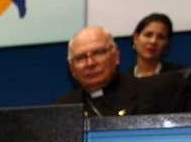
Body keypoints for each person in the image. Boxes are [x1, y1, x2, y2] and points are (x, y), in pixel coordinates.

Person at [55, 26, 185, 116]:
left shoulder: (154, 95)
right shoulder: (62, 109)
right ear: (71, 68)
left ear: (116, 56)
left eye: (98, 52)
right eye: (80, 57)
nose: (90, 63)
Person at [131, 13, 184, 78]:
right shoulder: (123, 81)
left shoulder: (180, 76)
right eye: (148, 35)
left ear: (167, 43)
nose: (153, 41)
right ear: (135, 38)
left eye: (161, 37)